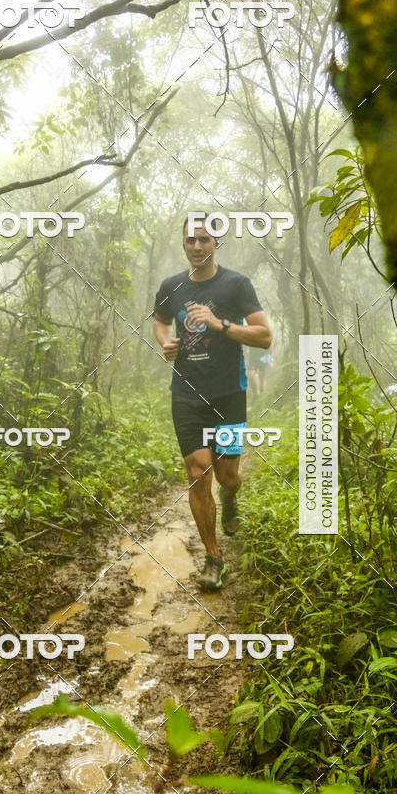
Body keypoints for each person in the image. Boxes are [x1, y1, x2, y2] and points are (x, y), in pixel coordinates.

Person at [152, 214, 272, 591]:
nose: (198, 246)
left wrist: (221, 324)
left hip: (229, 395)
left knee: (226, 475)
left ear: (216, 242)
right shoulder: (172, 286)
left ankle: (231, 498)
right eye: (191, 241)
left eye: (205, 239)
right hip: (186, 393)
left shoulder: (236, 285)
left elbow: (265, 336)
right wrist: (165, 342)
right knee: (197, 471)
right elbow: (159, 320)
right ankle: (213, 558)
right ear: (184, 245)